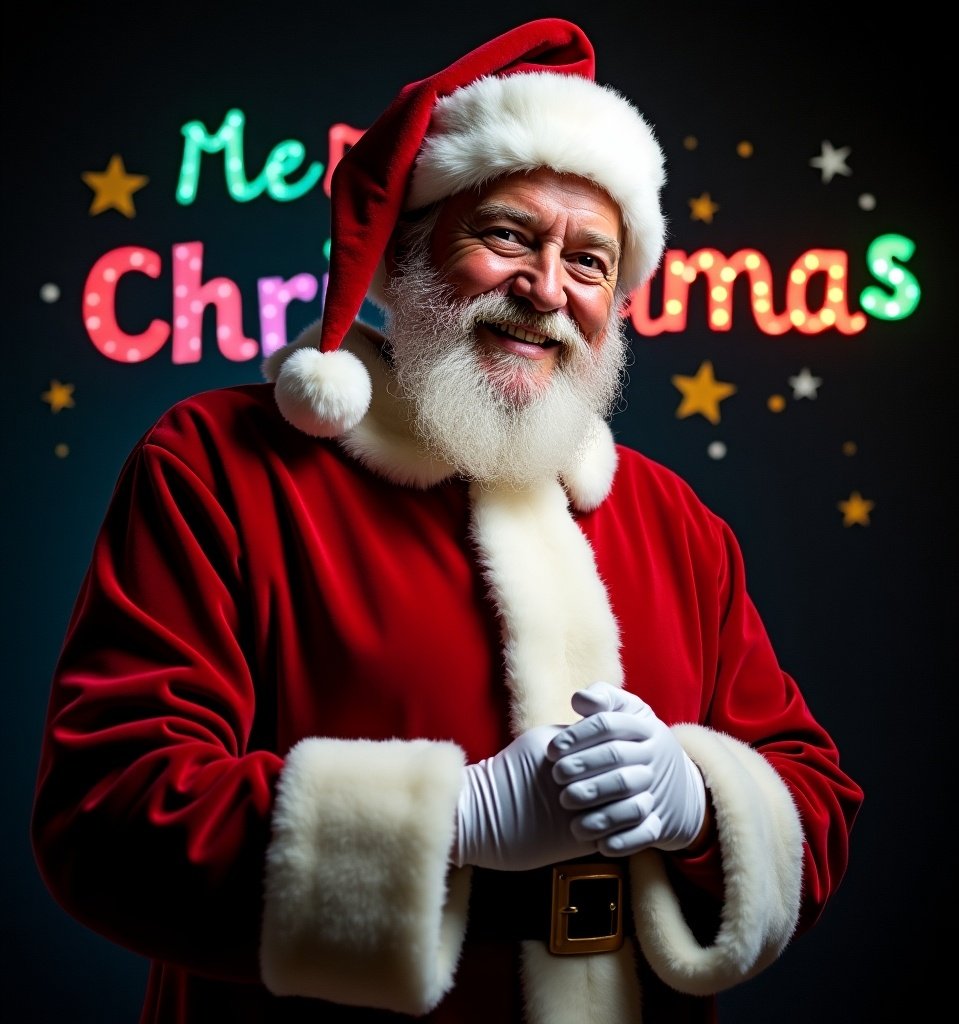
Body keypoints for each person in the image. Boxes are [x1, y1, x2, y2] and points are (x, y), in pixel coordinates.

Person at [31, 18, 863, 1024]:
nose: (545, 289)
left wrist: (699, 802)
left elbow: (813, 805)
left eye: (590, 261)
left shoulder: (672, 519)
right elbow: (109, 814)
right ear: (406, 256)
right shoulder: (217, 464)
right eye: (507, 234)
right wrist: (451, 819)